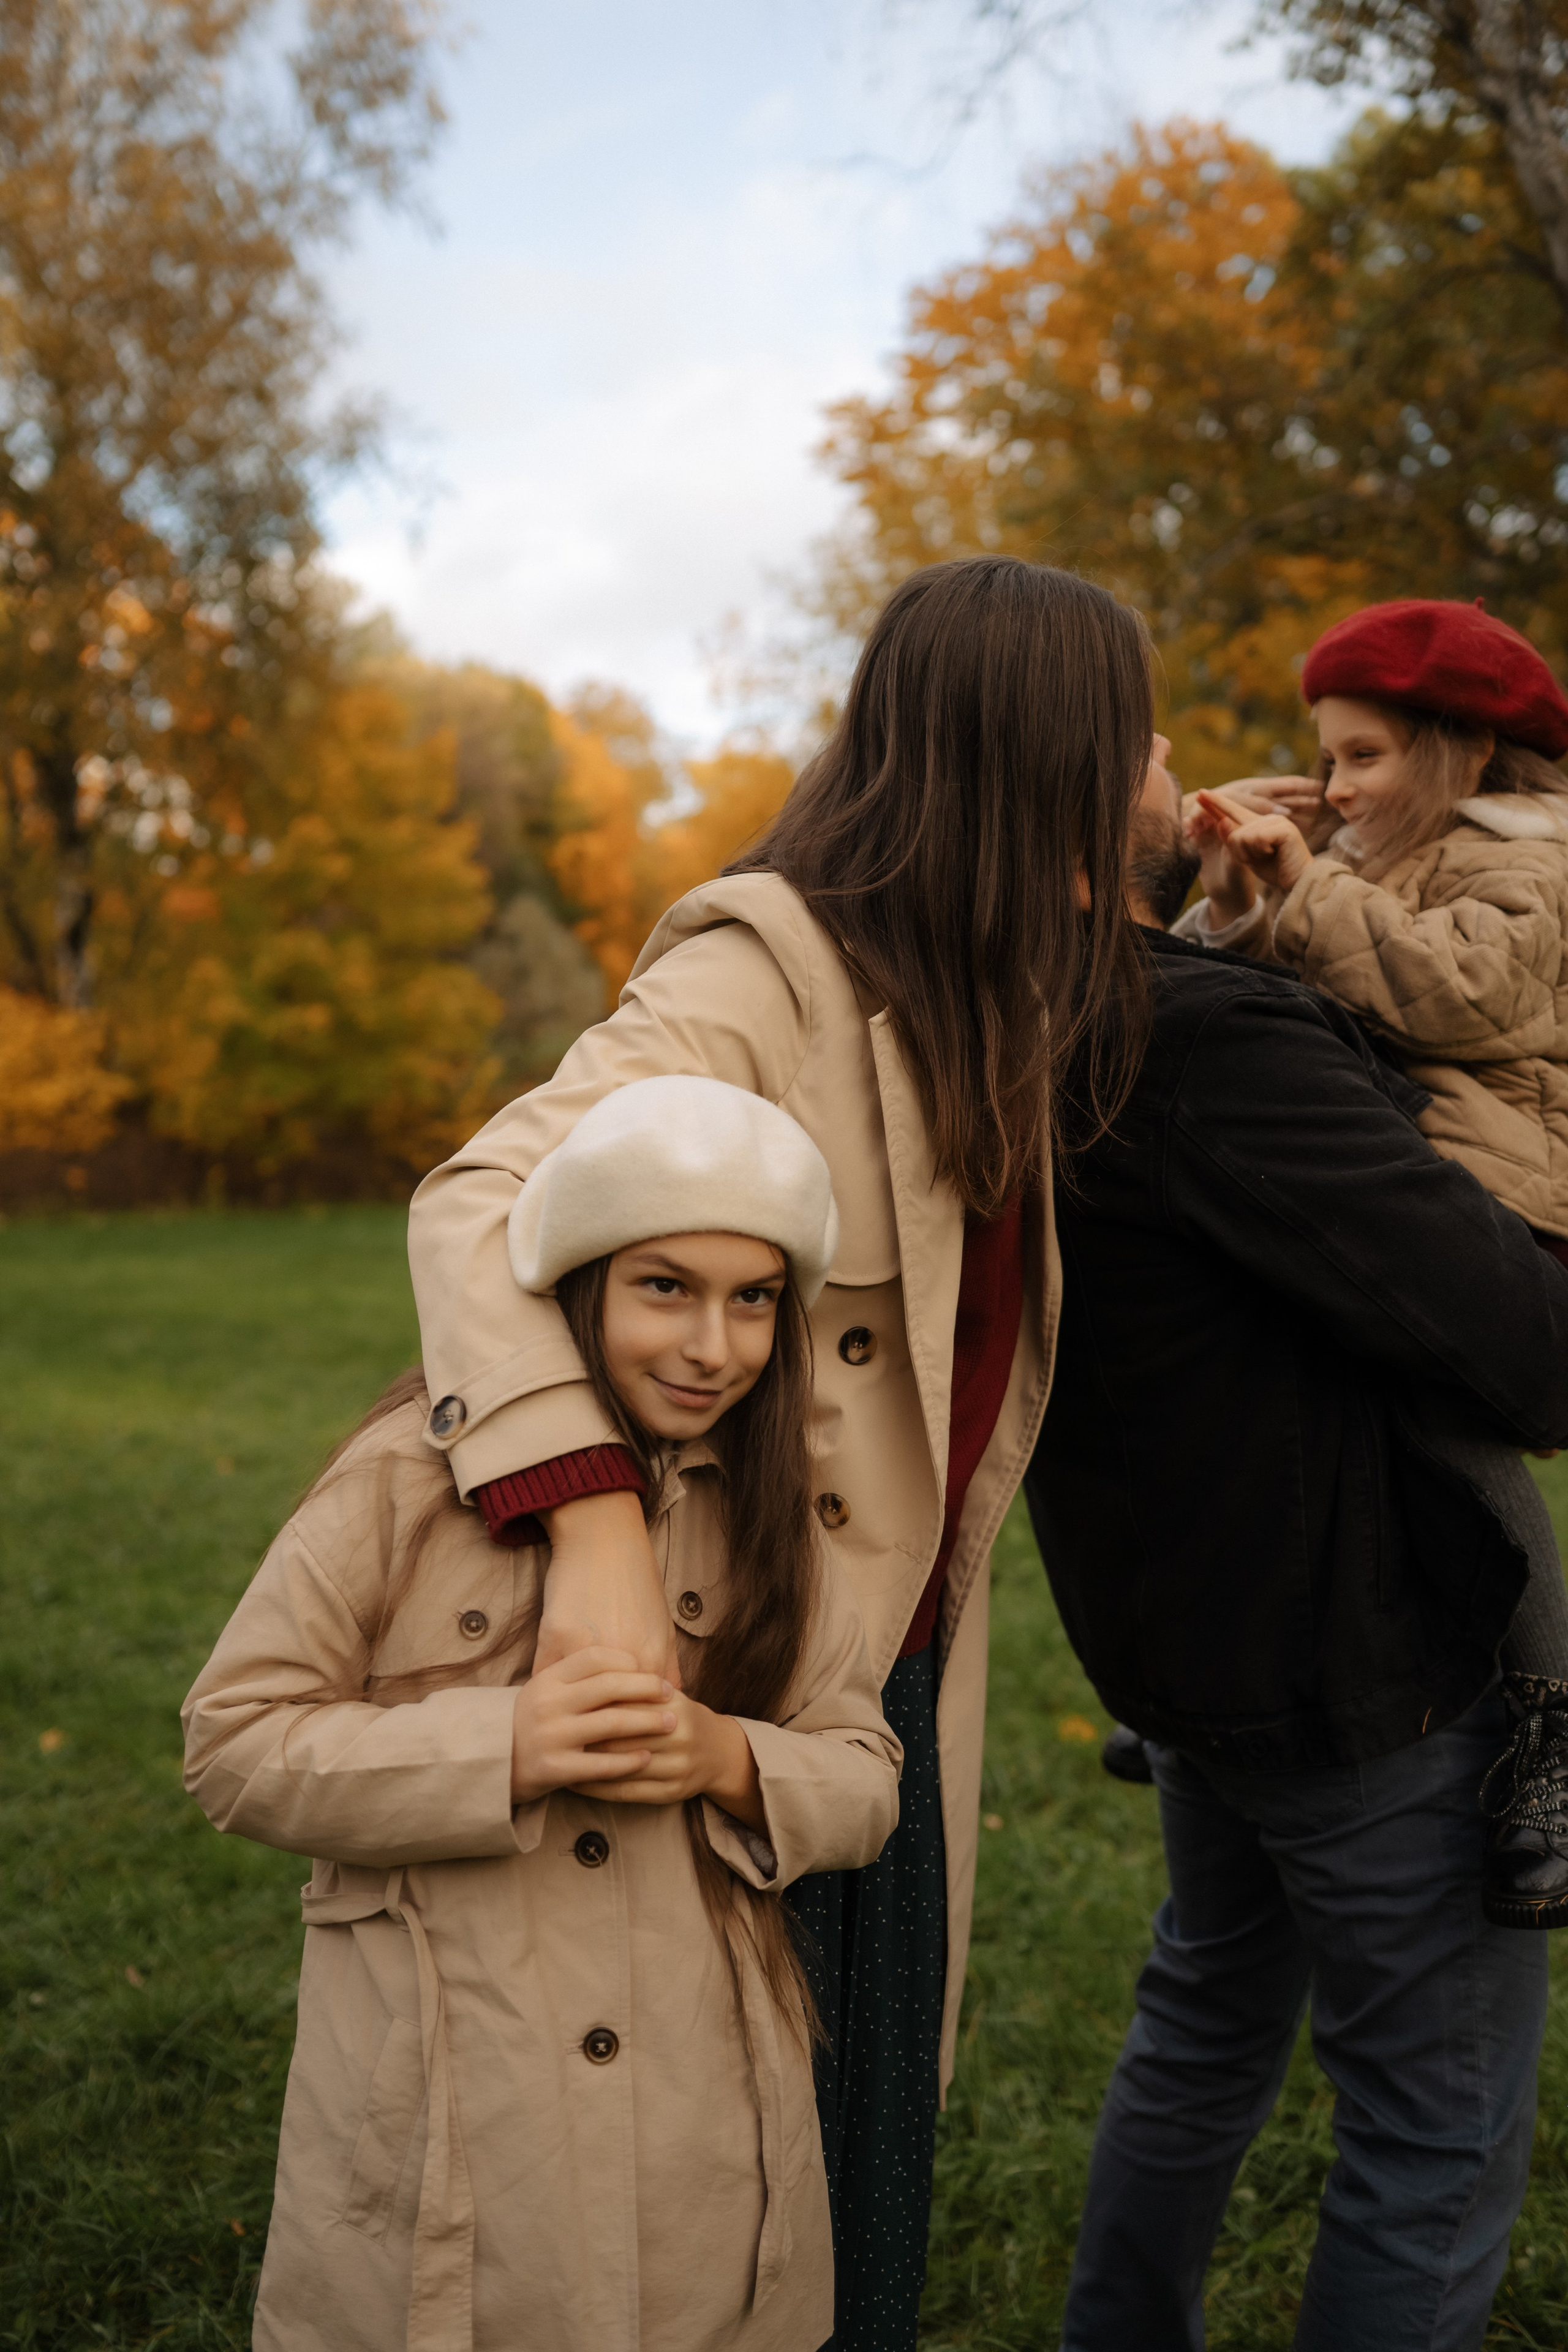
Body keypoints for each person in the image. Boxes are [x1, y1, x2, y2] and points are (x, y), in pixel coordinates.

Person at [400, 556, 1157, 2351]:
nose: (1159, 773)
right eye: (1131, 737)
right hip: (727, 1669)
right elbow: (479, 1198)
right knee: (711, 2213)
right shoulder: (769, 972)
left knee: (853, 2194)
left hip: (883, 1688)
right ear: (1035, 751)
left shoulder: (992, 976)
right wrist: (584, 1519)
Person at [183, 1076, 902, 2352]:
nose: (710, 1347)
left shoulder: (768, 1515)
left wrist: (723, 1755)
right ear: (578, 1284)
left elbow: (861, 1773)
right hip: (451, 2136)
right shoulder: (403, 1482)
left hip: (701, 2146)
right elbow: (234, 1742)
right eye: (664, 1287)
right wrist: (498, 1745)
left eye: (753, 1301)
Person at [1024, 740, 1568, 2351]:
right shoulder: (1206, 1044)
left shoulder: (1022, 1024)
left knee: (1200, 2026)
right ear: (1069, 816)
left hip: (1190, 1658)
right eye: (1143, 746)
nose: (1186, 763)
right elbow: (1529, 1351)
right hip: (1370, 1678)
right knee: (1435, 2133)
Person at [1183, 598, 1568, 1926]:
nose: (1336, 786)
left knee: (1448, 1431)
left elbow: (1456, 996)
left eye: (1363, 758)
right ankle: (1241, 1670)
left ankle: (1551, 1724)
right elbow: (1242, 1011)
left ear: (1460, 752)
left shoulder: (1526, 858)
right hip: (1402, 1179)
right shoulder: (1373, 862)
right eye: (1327, 759)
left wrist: (1307, 886)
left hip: (1508, 1204)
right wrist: (1228, 897)